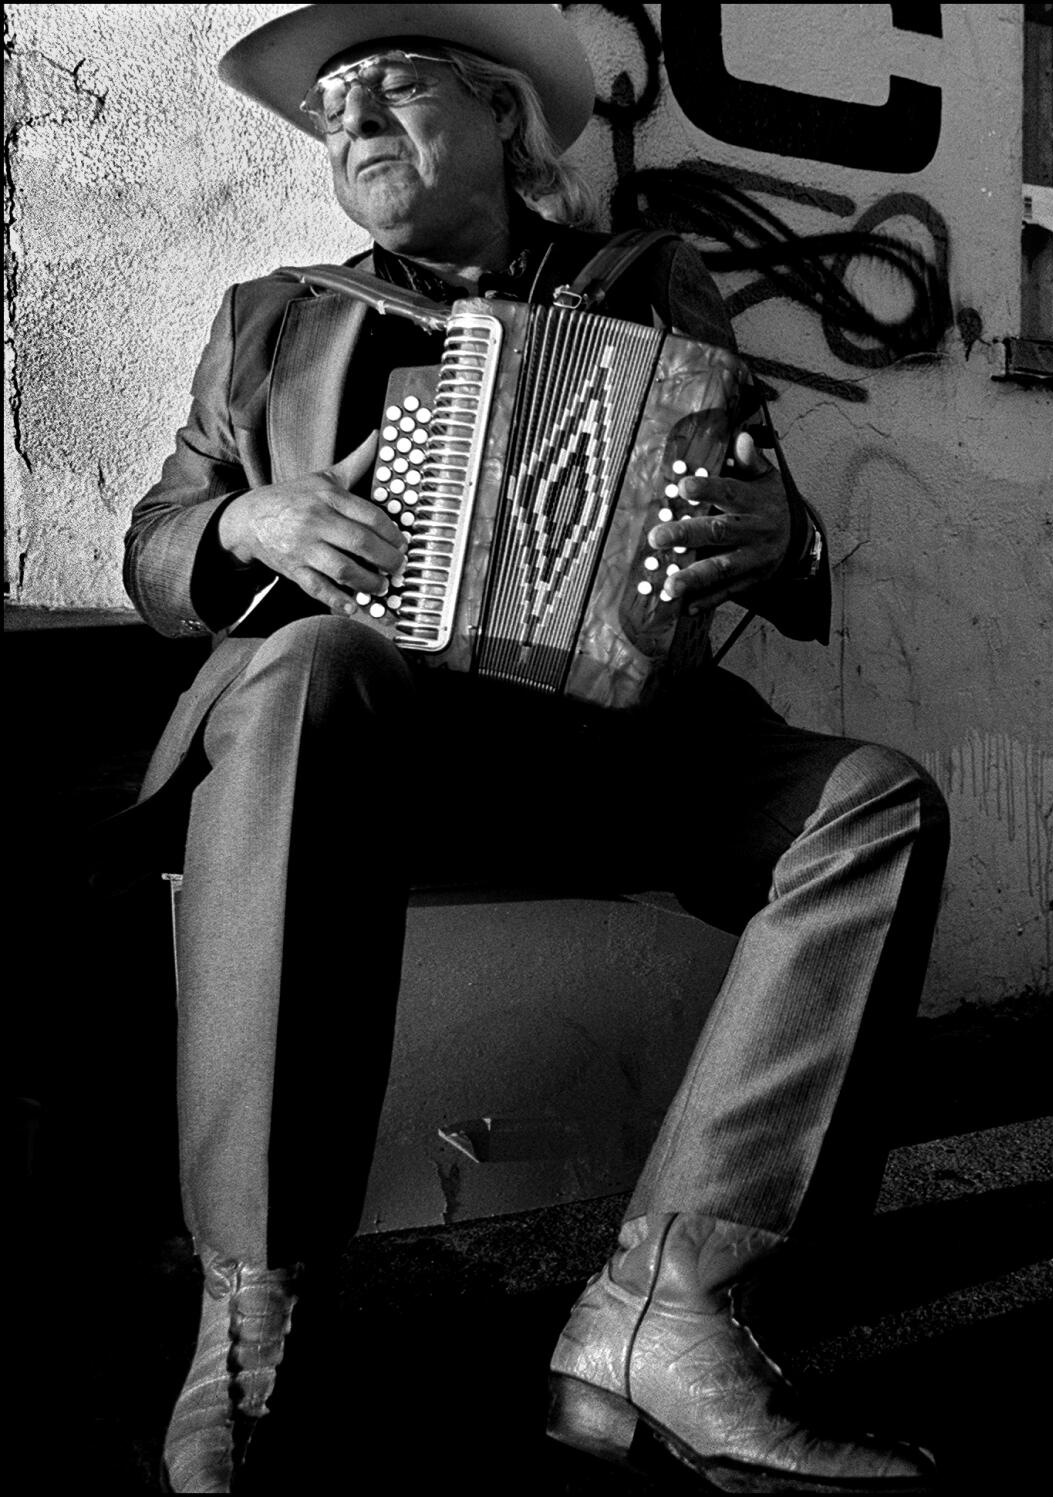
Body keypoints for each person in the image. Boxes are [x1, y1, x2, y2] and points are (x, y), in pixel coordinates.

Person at [113, 6, 947, 1491]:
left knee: (873, 803)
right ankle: (243, 1314)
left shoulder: (644, 281)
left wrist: (786, 540)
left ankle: (668, 1309)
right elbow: (157, 545)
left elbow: (750, 503)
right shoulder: (268, 320)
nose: (353, 113)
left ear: (503, 117)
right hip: (355, 759)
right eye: (334, 101)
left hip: (605, 745)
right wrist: (252, 519)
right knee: (312, 664)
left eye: (395, 82)